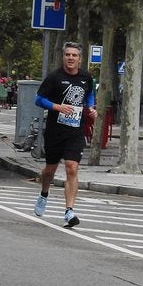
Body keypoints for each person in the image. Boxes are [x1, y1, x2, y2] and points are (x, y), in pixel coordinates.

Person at [33, 41, 96, 228]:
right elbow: (38, 99)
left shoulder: (86, 77)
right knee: (50, 170)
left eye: (74, 55)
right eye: (67, 55)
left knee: (71, 167)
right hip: (55, 131)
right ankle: (44, 193)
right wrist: (57, 107)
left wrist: (91, 108)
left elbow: (90, 94)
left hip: (76, 131)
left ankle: (69, 211)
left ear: (80, 59)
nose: (70, 58)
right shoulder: (54, 77)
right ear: (63, 57)